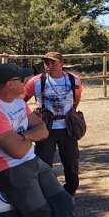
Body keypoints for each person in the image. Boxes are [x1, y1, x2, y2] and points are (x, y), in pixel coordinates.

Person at [0, 63, 74, 217]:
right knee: (43, 216)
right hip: (8, 169)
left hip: (31, 161)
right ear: (9, 84)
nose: (25, 82)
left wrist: (22, 136)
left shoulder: (18, 102)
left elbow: (43, 130)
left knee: (64, 201)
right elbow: (17, 151)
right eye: (21, 79)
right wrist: (30, 136)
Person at [23, 52, 82, 196]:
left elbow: (76, 101)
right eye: (46, 63)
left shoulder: (74, 80)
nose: (49, 67)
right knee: (43, 165)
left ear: (62, 63)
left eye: (53, 63)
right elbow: (20, 101)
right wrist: (32, 117)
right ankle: (49, 193)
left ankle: (69, 193)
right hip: (45, 129)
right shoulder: (36, 81)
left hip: (67, 129)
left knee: (71, 164)